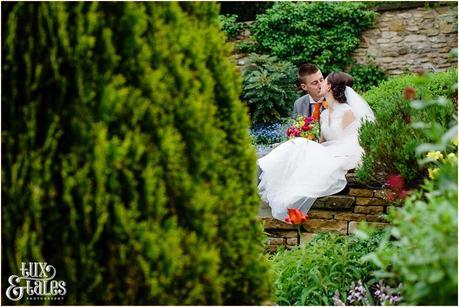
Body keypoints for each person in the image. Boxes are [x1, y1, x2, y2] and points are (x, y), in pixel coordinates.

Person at [258, 72, 375, 222]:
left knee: (301, 145)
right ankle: (269, 168)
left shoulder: (347, 112)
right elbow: (321, 142)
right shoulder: (325, 114)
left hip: (345, 154)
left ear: (330, 87)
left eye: (324, 82)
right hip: (329, 150)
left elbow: (352, 141)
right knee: (299, 145)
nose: (321, 85)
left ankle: (264, 165)